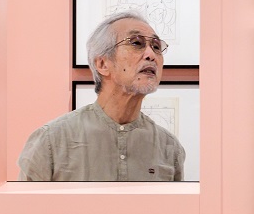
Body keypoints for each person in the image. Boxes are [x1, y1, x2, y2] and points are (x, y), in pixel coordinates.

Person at [17, 10, 185, 181]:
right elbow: (23, 208)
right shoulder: (50, 141)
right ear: (103, 64)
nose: (151, 55)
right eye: (136, 43)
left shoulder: (169, 148)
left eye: (157, 47)